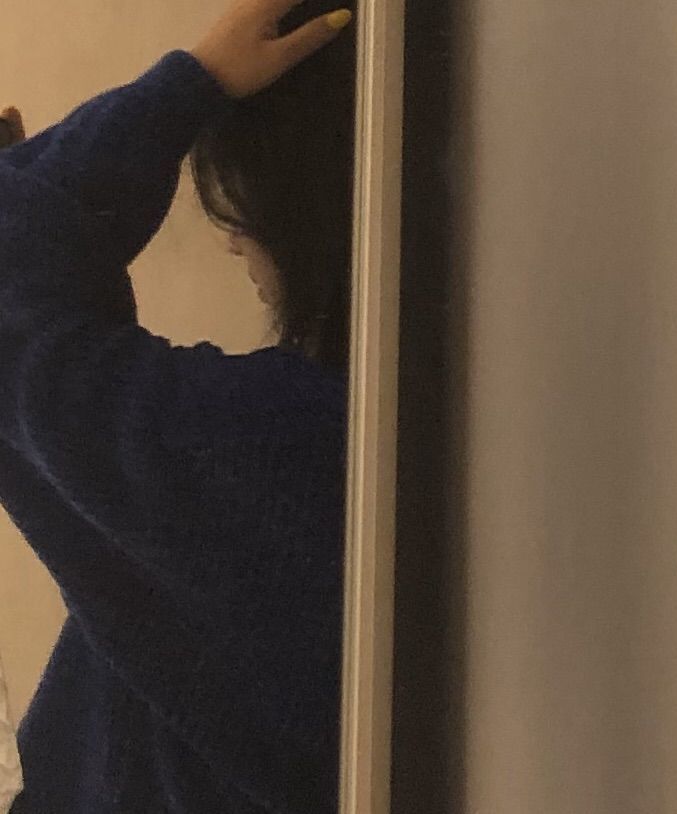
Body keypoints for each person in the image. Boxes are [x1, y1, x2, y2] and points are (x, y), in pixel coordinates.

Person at [0, 0, 354, 811]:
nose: (230, 237)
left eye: (237, 197)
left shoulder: (286, 450)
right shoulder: (367, 455)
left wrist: (194, 84)